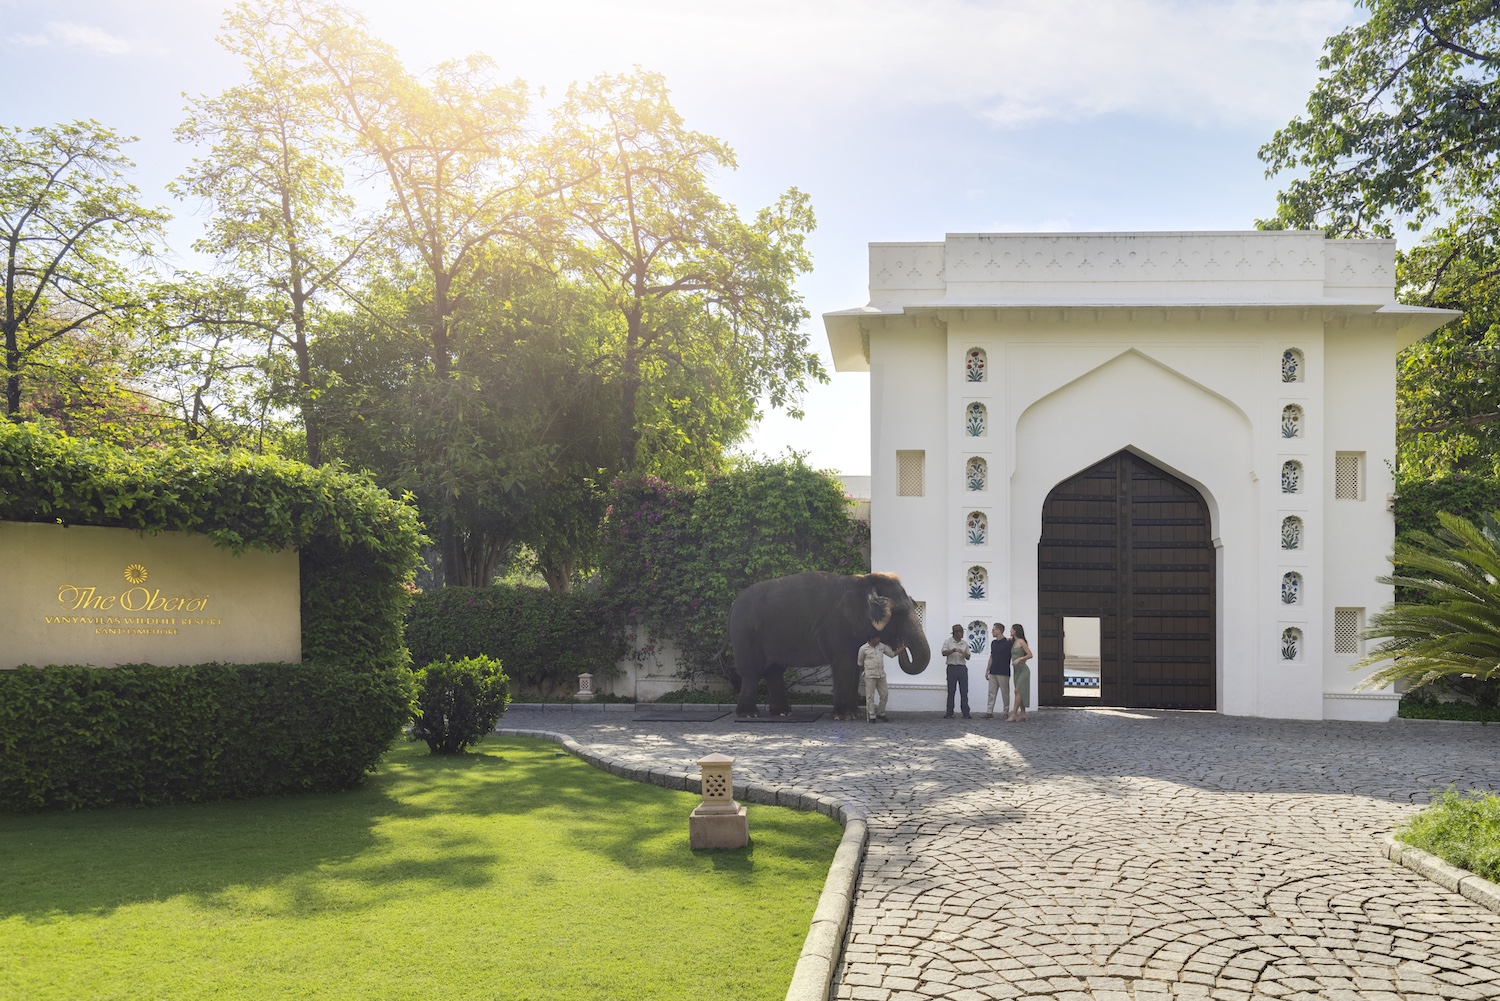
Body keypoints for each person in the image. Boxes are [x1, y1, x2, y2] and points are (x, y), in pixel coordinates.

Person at [856, 634, 901, 722]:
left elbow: (892, 654)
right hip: (870, 675)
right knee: (870, 696)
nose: (878, 639)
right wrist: (865, 673)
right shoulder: (863, 649)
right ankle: (871, 716)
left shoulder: (881, 646)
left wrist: (902, 649)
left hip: (881, 675)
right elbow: (860, 663)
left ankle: (881, 713)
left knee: (884, 694)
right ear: (871, 639)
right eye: (876, 638)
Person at [940, 624, 972, 719]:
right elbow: (943, 653)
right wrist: (953, 650)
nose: (962, 634)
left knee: (964, 691)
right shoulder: (948, 642)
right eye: (961, 632)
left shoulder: (964, 643)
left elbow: (969, 657)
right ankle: (949, 712)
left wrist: (964, 653)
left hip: (962, 668)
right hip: (952, 667)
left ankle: (966, 712)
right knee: (951, 690)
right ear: (956, 633)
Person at [985, 622, 1014, 719]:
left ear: (999, 631)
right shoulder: (993, 643)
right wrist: (987, 670)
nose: (992, 632)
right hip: (993, 670)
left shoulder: (1008, 643)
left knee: (1005, 693)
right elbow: (991, 657)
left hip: (1004, 671)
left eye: (993, 630)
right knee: (991, 692)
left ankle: (1005, 711)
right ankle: (989, 712)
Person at [1008, 623, 1032, 722]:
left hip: (1023, 670)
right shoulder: (1013, 642)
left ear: (1015, 631)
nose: (1010, 631)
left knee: (1017, 691)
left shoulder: (1021, 642)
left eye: (1011, 629)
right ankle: (1023, 713)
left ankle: (1013, 714)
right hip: (1016, 670)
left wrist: (1020, 659)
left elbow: (1030, 655)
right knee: (1019, 692)